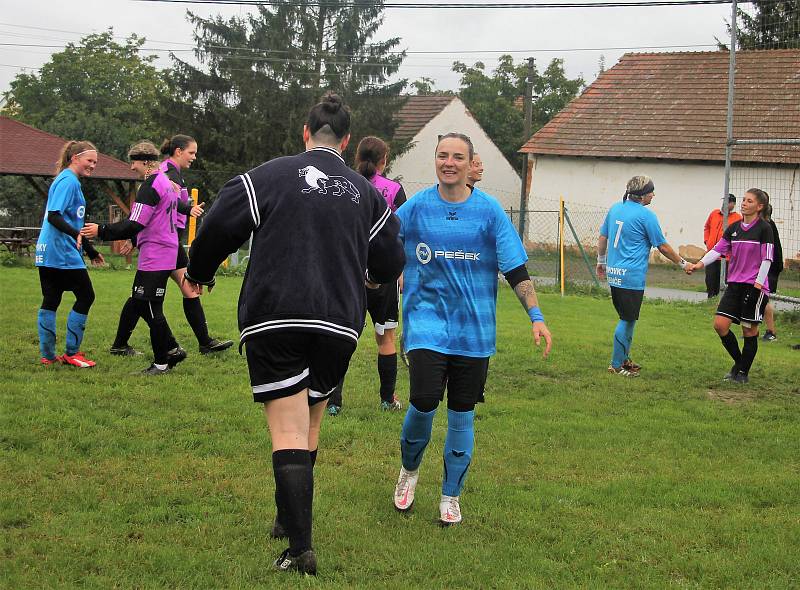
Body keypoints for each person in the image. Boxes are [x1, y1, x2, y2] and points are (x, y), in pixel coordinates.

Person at [182, 93, 405, 575]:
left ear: (305, 133)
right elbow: (390, 260)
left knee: (286, 428)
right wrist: (369, 279)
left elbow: (219, 223)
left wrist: (199, 271)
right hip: (339, 322)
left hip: (275, 316)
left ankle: (300, 548)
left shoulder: (268, 175)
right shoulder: (365, 192)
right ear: (345, 142)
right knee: (310, 421)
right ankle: (287, 518)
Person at [392, 132, 552, 527]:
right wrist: (385, 272)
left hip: (474, 333)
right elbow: (383, 246)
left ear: (469, 164)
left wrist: (536, 316)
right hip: (426, 325)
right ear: (436, 161)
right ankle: (409, 471)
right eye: (443, 156)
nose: (449, 163)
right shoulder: (415, 209)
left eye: (457, 157)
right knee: (424, 403)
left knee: (462, 415)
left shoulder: (489, 212)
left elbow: (515, 269)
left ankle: (450, 495)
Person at [81, 141, 204, 374]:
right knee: (147, 304)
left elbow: (135, 223)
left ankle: (162, 361)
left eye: (133, 162)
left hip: (155, 254)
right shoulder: (166, 182)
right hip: (166, 251)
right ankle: (170, 350)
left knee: (148, 306)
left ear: (145, 162)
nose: (131, 168)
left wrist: (102, 231)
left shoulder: (150, 186)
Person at [109, 134, 233, 357]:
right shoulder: (165, 172)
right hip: (164, 242)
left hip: (169, 241)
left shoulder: (173, 174)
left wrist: (188, 209)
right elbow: (152, 210)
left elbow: (173, 204)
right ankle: (169, 348)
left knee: (172, 292)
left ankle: (200, 343)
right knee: (145, 296)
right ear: (178, 151)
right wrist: (135, 238)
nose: (194, 157)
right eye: (191, 152)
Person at [326, 136, 407, 416]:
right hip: (383, 275)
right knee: (386, 338)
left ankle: (333, 402)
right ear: (384, 160)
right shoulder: (394, 190)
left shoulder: (343, 184)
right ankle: (387, 399)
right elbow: (400, 236)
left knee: (341, 337)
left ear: (357, 156)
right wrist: (401, 271)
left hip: (348, 274)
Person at [596, 175, 689, 377]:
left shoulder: (615, 208)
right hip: (631, 276)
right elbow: (662, 246)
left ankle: (624, 359)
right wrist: (683, 263)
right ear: (642, 195)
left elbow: (603, 237)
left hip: (615, 273)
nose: (653, 195)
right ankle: (616, 365)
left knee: (628, 318)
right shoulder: (646, 216)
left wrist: (601, 262)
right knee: (627, 320)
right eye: (651, 191)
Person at [686, 188, 774, 384]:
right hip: (734, 285)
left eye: (749, 201)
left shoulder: (764, 229)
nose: (744, 203)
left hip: (754, 287)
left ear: (759, 207)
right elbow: (717, 250)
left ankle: (742, 373)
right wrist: (699, 264)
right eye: (743, 200)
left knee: (748, 330)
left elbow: (767, 260)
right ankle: (740, 363)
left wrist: (757, 287)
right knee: (720, 325)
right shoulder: (733, 228)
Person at [35, 140, 104, 368]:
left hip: (47, 252)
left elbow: (68, 218)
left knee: (51, 299)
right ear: (75, 158)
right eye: (89, 160)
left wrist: (90, 250)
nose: (93, 165)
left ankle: (47, 355)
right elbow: (55, 216)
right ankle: (72, 353)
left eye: (95, 162)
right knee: (86, 296)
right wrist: (77, 235)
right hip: (61, 252)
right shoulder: (69, 181)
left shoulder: (64, 179)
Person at [703, 193, 742, 298]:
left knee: (725, 281)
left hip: (726, 257)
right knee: (710, 279)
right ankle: (711, 298)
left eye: (728, 202)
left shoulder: (737, 218)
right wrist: (707, 241)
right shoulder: (714, 214)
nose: (724, 204)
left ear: (733, 204)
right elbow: (707, 227)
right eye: (724, 201)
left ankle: (723, 301)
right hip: (712, 253)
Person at [761, 203, 783, 342]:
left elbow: (770, 253)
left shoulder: (767, 226)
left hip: (770, 267)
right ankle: (752, 330)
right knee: (753, 298)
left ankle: (771, 332)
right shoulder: (759, 226)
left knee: (764, 298)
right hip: (760, 267)